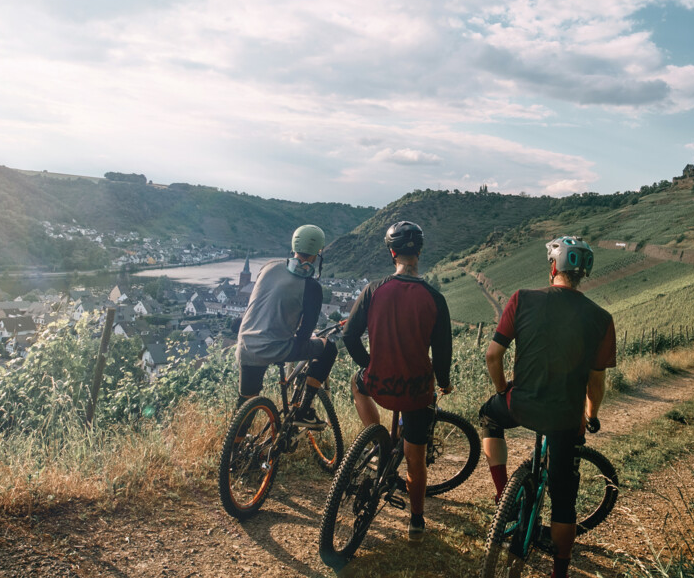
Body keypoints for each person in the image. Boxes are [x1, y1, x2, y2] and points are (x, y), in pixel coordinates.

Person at [478, 236, 616, 578]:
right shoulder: (601, 318)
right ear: (583, 274)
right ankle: (559, 571)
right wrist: (591, 415)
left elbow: (493, 355)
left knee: (489, 416)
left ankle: (503, 497)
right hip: (565, 418)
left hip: (519, 404)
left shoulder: (522, 299)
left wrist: (503, 390)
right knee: (564, 501)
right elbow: (595, 384)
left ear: (553, 267)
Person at [342, 220, 453, 540]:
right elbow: (442, 354)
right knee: (416, 461)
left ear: (392, 253)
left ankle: (377, 438)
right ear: (419, 252)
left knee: (356, 383)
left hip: (378, 383)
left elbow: (349, 336)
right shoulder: (435, 298)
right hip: (416, 392)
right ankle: (416, 522)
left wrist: (370, 364)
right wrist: (444, 382)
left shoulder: (373, 290)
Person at [236, 224, 339, 428]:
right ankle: (304, 410)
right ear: (317, 254)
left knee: (245, 404)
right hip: (275, 348)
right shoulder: (311, 286)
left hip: (246, 344)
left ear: (294, 246)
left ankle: (234, 446)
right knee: (329, 348)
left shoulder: (269, 267)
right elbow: (305, 333)